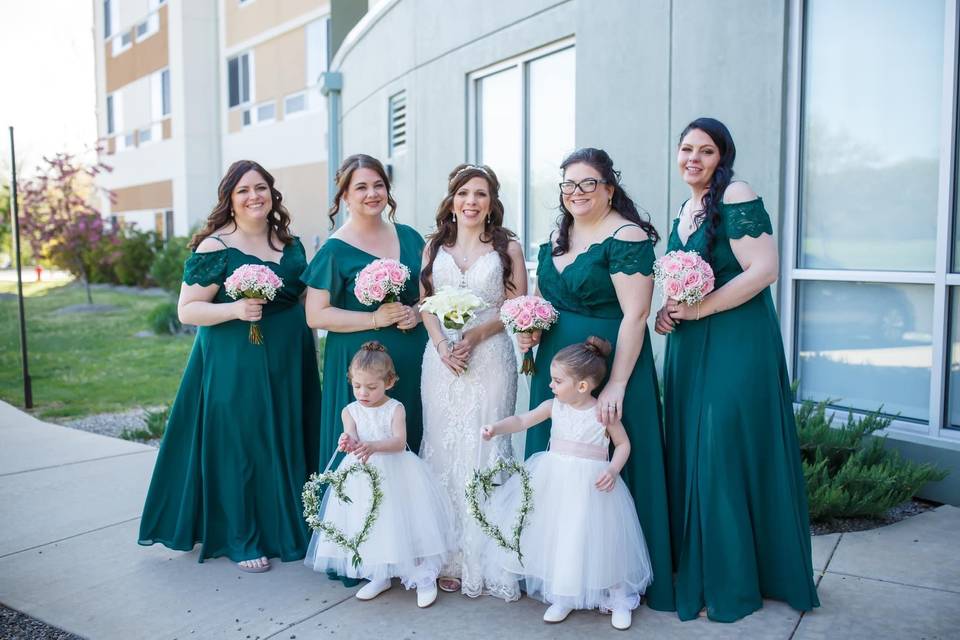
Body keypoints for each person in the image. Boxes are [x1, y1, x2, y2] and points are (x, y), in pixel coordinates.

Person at [655, 117, 820, 622]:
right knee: (693, 447)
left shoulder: (738, 194)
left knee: (719, 450)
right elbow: (687, 280)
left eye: (706, 151)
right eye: (686, 149)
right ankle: (705, 569)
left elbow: (764, 270)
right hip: (689, 344)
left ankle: (730, 579)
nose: (693, 159)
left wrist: (701, 310)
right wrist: (668, 310)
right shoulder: (686, 208)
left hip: (735, 340)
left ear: (722, 158)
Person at [138, 160, 321, 572]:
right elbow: (188, 310)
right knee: (242, 444)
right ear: (230, 200)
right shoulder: (215, 247)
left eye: (261, 188)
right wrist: (236, 308)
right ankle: (242, 536)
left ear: (273, 194)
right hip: (234, 358)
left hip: (289, 359)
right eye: (243, 190)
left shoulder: (289, 244)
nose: (254, 196)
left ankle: (289, 525)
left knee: (287, 433)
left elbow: (305, 297)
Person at [517, 148, 674, 611]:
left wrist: (618, 384)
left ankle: (616, 580)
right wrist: (532, 329)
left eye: (589, 183)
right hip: (559, 368)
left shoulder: (626, 236)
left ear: (609, 187)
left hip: (611, 366)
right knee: (559, 470)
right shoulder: (559, 237)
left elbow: (636, 314)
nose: (577, 192)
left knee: (604, 472)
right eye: (568, 184)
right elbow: (551, 302)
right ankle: (563, 572)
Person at [480, 338, 652, 630]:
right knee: (561, 537)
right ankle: (564, 594)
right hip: (556, 482)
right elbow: (522, 420)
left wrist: (612, 469)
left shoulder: (603, 413)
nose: (551, 385)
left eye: (557, 381)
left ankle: (618, 597)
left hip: (593, 489)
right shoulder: (552, 406)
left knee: (601, 540)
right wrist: (496, 428)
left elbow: (623, 445)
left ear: (582, 386)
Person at [418, 163, 527, 596]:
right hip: (441, 359)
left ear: (492, 201)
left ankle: (488, 555)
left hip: (491, 357)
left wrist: (477, 334)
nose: (471, 202)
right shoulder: (434, 246)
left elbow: (517, 305)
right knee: (443, 448)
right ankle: (447, 553)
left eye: (480, 194)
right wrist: (443, 345)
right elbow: (425, 304)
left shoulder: (508, 248)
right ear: (452, 199)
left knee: (486, 444)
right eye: (464, 193)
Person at [304, 342, 454, 609]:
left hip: (396, 471)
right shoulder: (350, 410)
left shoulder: (395, 408)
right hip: (361, 474)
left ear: (389, 382)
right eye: (357, 386)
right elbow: (351, 433)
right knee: (369, 522)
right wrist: (346, 440)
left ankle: (422, 577)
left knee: (404, 520)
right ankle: (379, 574)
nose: (363, 393)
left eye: (371, 387)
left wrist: (373, 446)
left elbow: (399, 442)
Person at [302, 154, 427, 473]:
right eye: (361, 187)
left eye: (378, 185)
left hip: (411, 359)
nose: (372, 194)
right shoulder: (333, 250)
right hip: (358, 365)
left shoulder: (410, 237)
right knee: (361, 451)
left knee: (409, 437)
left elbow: (430, 295)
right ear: (344, 195)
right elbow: (315, 315)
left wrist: (415, 311)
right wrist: (374, 319)